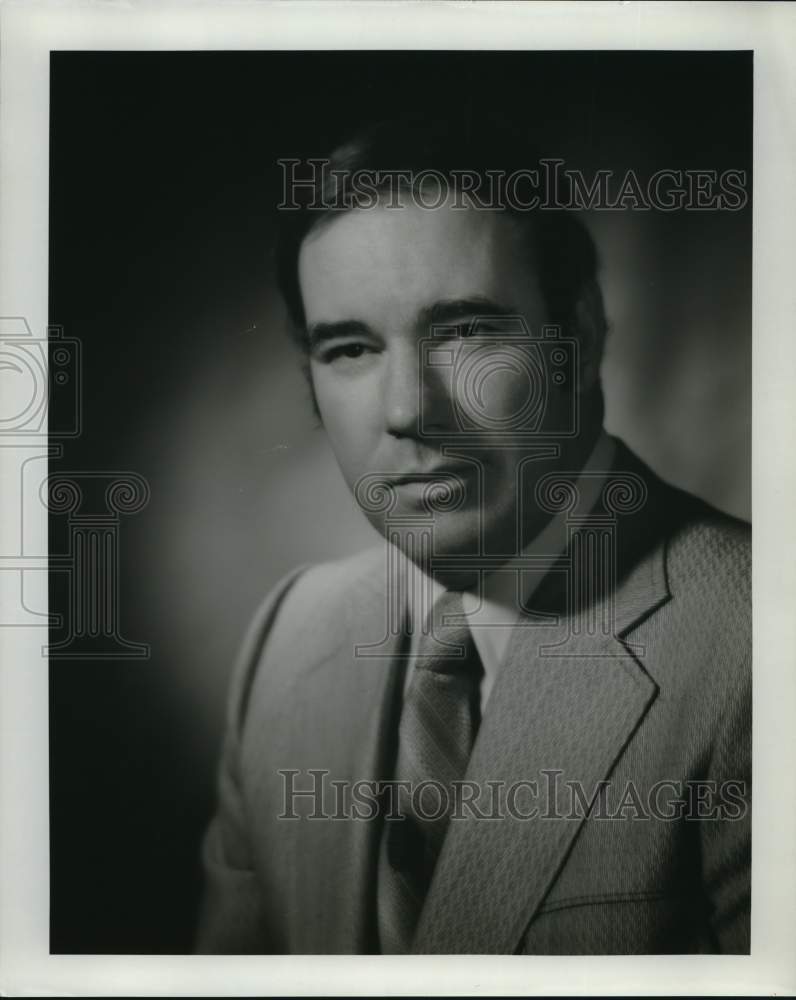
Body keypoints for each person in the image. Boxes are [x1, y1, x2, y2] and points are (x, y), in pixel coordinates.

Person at [194, 112, 751, 955]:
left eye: (464, 331)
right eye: (349, 348)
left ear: (582, 336)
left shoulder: (759, 645)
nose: (408, 409)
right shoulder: (285, 642)